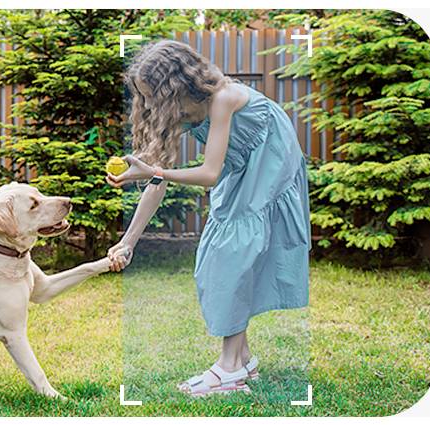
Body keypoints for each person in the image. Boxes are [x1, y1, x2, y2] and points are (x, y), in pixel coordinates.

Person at [106, 40, 311, 397]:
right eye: (144, 97)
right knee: (221, 258)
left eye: (153, 94)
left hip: (270, 158)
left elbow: (210, 173)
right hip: (242, 168)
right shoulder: (180, 111)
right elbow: (156, 178)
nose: (151, 104)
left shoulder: (223, 99)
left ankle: (229, 370)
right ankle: (242, 359)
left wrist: (154, 170)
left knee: (230, 257)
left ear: (176, 85)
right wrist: (128, 242)